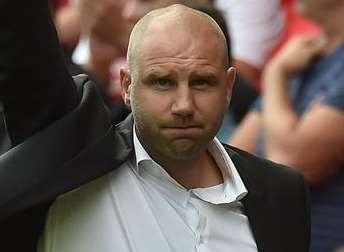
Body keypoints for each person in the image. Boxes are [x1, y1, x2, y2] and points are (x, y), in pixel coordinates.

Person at [0, 1, 309, 252]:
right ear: (126, 85)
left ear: (229, 86)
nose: (184, 105)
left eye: (202, 82)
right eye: (162, 82)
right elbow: (26, 49)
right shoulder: (72, 159)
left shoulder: (281, 193)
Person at [230, 0, 344, 251]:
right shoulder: (302, 54)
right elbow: (232, 161)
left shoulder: (286, 66)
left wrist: (275, 75)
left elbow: (292, 165)